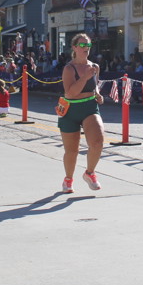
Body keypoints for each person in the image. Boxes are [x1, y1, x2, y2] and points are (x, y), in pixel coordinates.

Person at [58, 33, 104, 193]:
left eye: (88, 45)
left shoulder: (94, 66)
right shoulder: (69, 68)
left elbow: (95, 84)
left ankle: (90, 173)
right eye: (82, 45)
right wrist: (84, 77)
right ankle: (68, 179)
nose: (86, 48)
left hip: (89, 107)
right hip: (71, 109)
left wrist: (98, 93)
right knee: (72, 151)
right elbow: (70, 93)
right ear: (75, 48)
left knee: (97, 143)